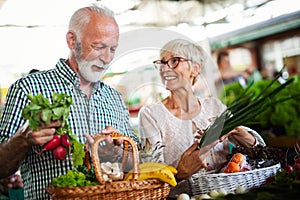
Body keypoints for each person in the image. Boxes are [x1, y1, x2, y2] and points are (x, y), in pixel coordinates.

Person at [0, 4, 138, 199]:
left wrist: (118, 153)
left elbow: (136, 160)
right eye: (99, 47)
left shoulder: (114, 98)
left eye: (112, 49)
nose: (107, 58)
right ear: (72, 40)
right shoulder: (28, 89)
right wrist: (23, 139)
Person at [138, 39, 265, 197]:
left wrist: (237, 130)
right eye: (162, 63)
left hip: (229, 193)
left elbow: (260, 151)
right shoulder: (151, 115)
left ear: (195, 69)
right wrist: (180, 173)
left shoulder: (214, 106)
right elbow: (151, 176)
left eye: (174, 61)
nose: (165, 68)